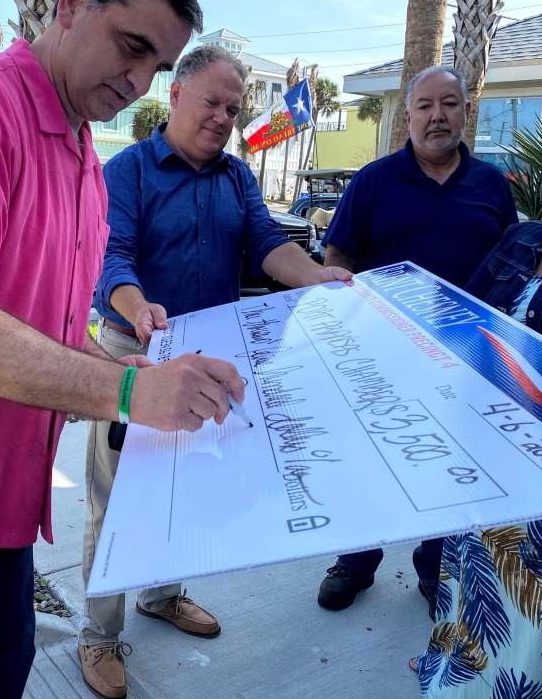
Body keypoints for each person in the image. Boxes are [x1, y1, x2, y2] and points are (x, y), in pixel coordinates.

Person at [0, 0, 246, 699]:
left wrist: (128, 369)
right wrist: (129, 395)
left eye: (157, 66)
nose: (137, 80)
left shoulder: (80, 160)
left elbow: (48, 336)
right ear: (71, 2)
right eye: (131, 47)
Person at [78, 44, 352, 699]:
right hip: (134, 353)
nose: (224, 117)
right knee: (117, 501)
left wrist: (318, 277)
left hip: (208, 358)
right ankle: (97, 635)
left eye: (233, 107)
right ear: (174, 95)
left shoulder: (235, 177)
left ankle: (161, 593)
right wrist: (135, 303)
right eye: (212, 102)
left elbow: (265, 244)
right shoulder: (130, 171)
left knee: (188, 488)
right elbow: (108, 255)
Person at [318, 66, 518, 615]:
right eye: (425, 105)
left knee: (447, 466)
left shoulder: (492, 186)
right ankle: (355, 562)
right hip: (381, 356)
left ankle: (436, 569)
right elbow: (338, 259)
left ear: (464, 112)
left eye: (449, 104)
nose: (438, 116)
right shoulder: (374, 181)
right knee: (374, 460)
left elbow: (512, 262)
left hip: (466, 359)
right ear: (407, 115)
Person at [411, 138, 542, 697]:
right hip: (482, 449)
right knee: (472, 570)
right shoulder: (522, 237)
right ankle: (454, 665)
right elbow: (461, 313)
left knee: (533, 598)